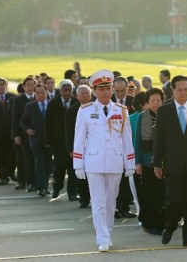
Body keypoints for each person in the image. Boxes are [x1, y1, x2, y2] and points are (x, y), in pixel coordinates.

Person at [73, 69, 135, 252]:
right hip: (94, 162)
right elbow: (79, 138)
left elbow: (127, 139)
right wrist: (78, 164)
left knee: (111, 201)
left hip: (115, 162)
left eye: (108, 88)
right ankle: (102, 238)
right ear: (94, 91)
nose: (106, 92)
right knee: (98, 201)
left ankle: (107, 232)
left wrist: (130, 163)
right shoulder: (85, 111)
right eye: (101, 89)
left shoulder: (121, 110)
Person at [154, 75, 187, 248]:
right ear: (173, 91)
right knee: (174, 200)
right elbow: (159, 140)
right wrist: (157, 163)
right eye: (180, 90)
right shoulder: (164, 111)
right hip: (172, 165)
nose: (184, 93)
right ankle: (170, 227)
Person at [135, 88, 165, 236]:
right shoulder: (142, 117)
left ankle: (161, 223)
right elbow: (137, 142)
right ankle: (149, 223)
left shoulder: (166, 116)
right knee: (148, 193)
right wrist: (138, 162)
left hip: (163, 161)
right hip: (147, 162)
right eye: (152, 101)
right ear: (147, 102)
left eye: (158, 101)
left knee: (161, 193)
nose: (155, 104)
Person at [45, 79, 79, 200]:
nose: (67, 92)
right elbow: (48, 123)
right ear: (60, 91)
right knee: (59, 167)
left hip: (73, 142)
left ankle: (72, 192)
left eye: (69, 89)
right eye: (64, 90)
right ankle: (56, 187)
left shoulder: (76, 102)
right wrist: (48, 141)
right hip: (58, 142)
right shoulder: (53, 103)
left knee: (73, 168)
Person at [112, 76, 137, 218]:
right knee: (115, 178)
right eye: (117, 91)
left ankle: (125, 206)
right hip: (114, 148)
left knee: (127, 177)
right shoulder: (108, 104)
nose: (120, 94)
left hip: (129, 145)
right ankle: (114, 206)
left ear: (128, 88)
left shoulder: (134, 103)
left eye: (123, 91)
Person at [20, 84, 51, 196]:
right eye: (37, 93)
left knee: (48, 164)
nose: (40, 95)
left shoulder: (52, 105)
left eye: (42, 92)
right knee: (39, 162)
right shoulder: (30, 106)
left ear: (46, 92)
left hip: (49, 140)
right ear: (35, 94)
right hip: (36, 139)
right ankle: (41, 187)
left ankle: (46, 186)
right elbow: (23, 121)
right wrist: (27, 129)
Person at [65, 85, 93, 208]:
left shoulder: (96, 108)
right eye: (82, 93)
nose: (85, 95)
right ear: (77, 96)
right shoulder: (71, 111)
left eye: (87, 93)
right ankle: (84, 198)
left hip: (94, 148)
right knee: (81, 174)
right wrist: (71, 149)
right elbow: (68, 131)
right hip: (79, 147)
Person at [12, 76, 37, 192]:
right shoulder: (18, 100)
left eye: (33, 85)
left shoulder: (39, 97)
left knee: (37, 159)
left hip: (37, 134)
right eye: (28, 85)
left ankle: (36, 182)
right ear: (24, 87)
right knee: (25, 159)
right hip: (23, 135)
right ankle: (24, 181)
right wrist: (16, 135)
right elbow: (15, 119)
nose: (31, 87)